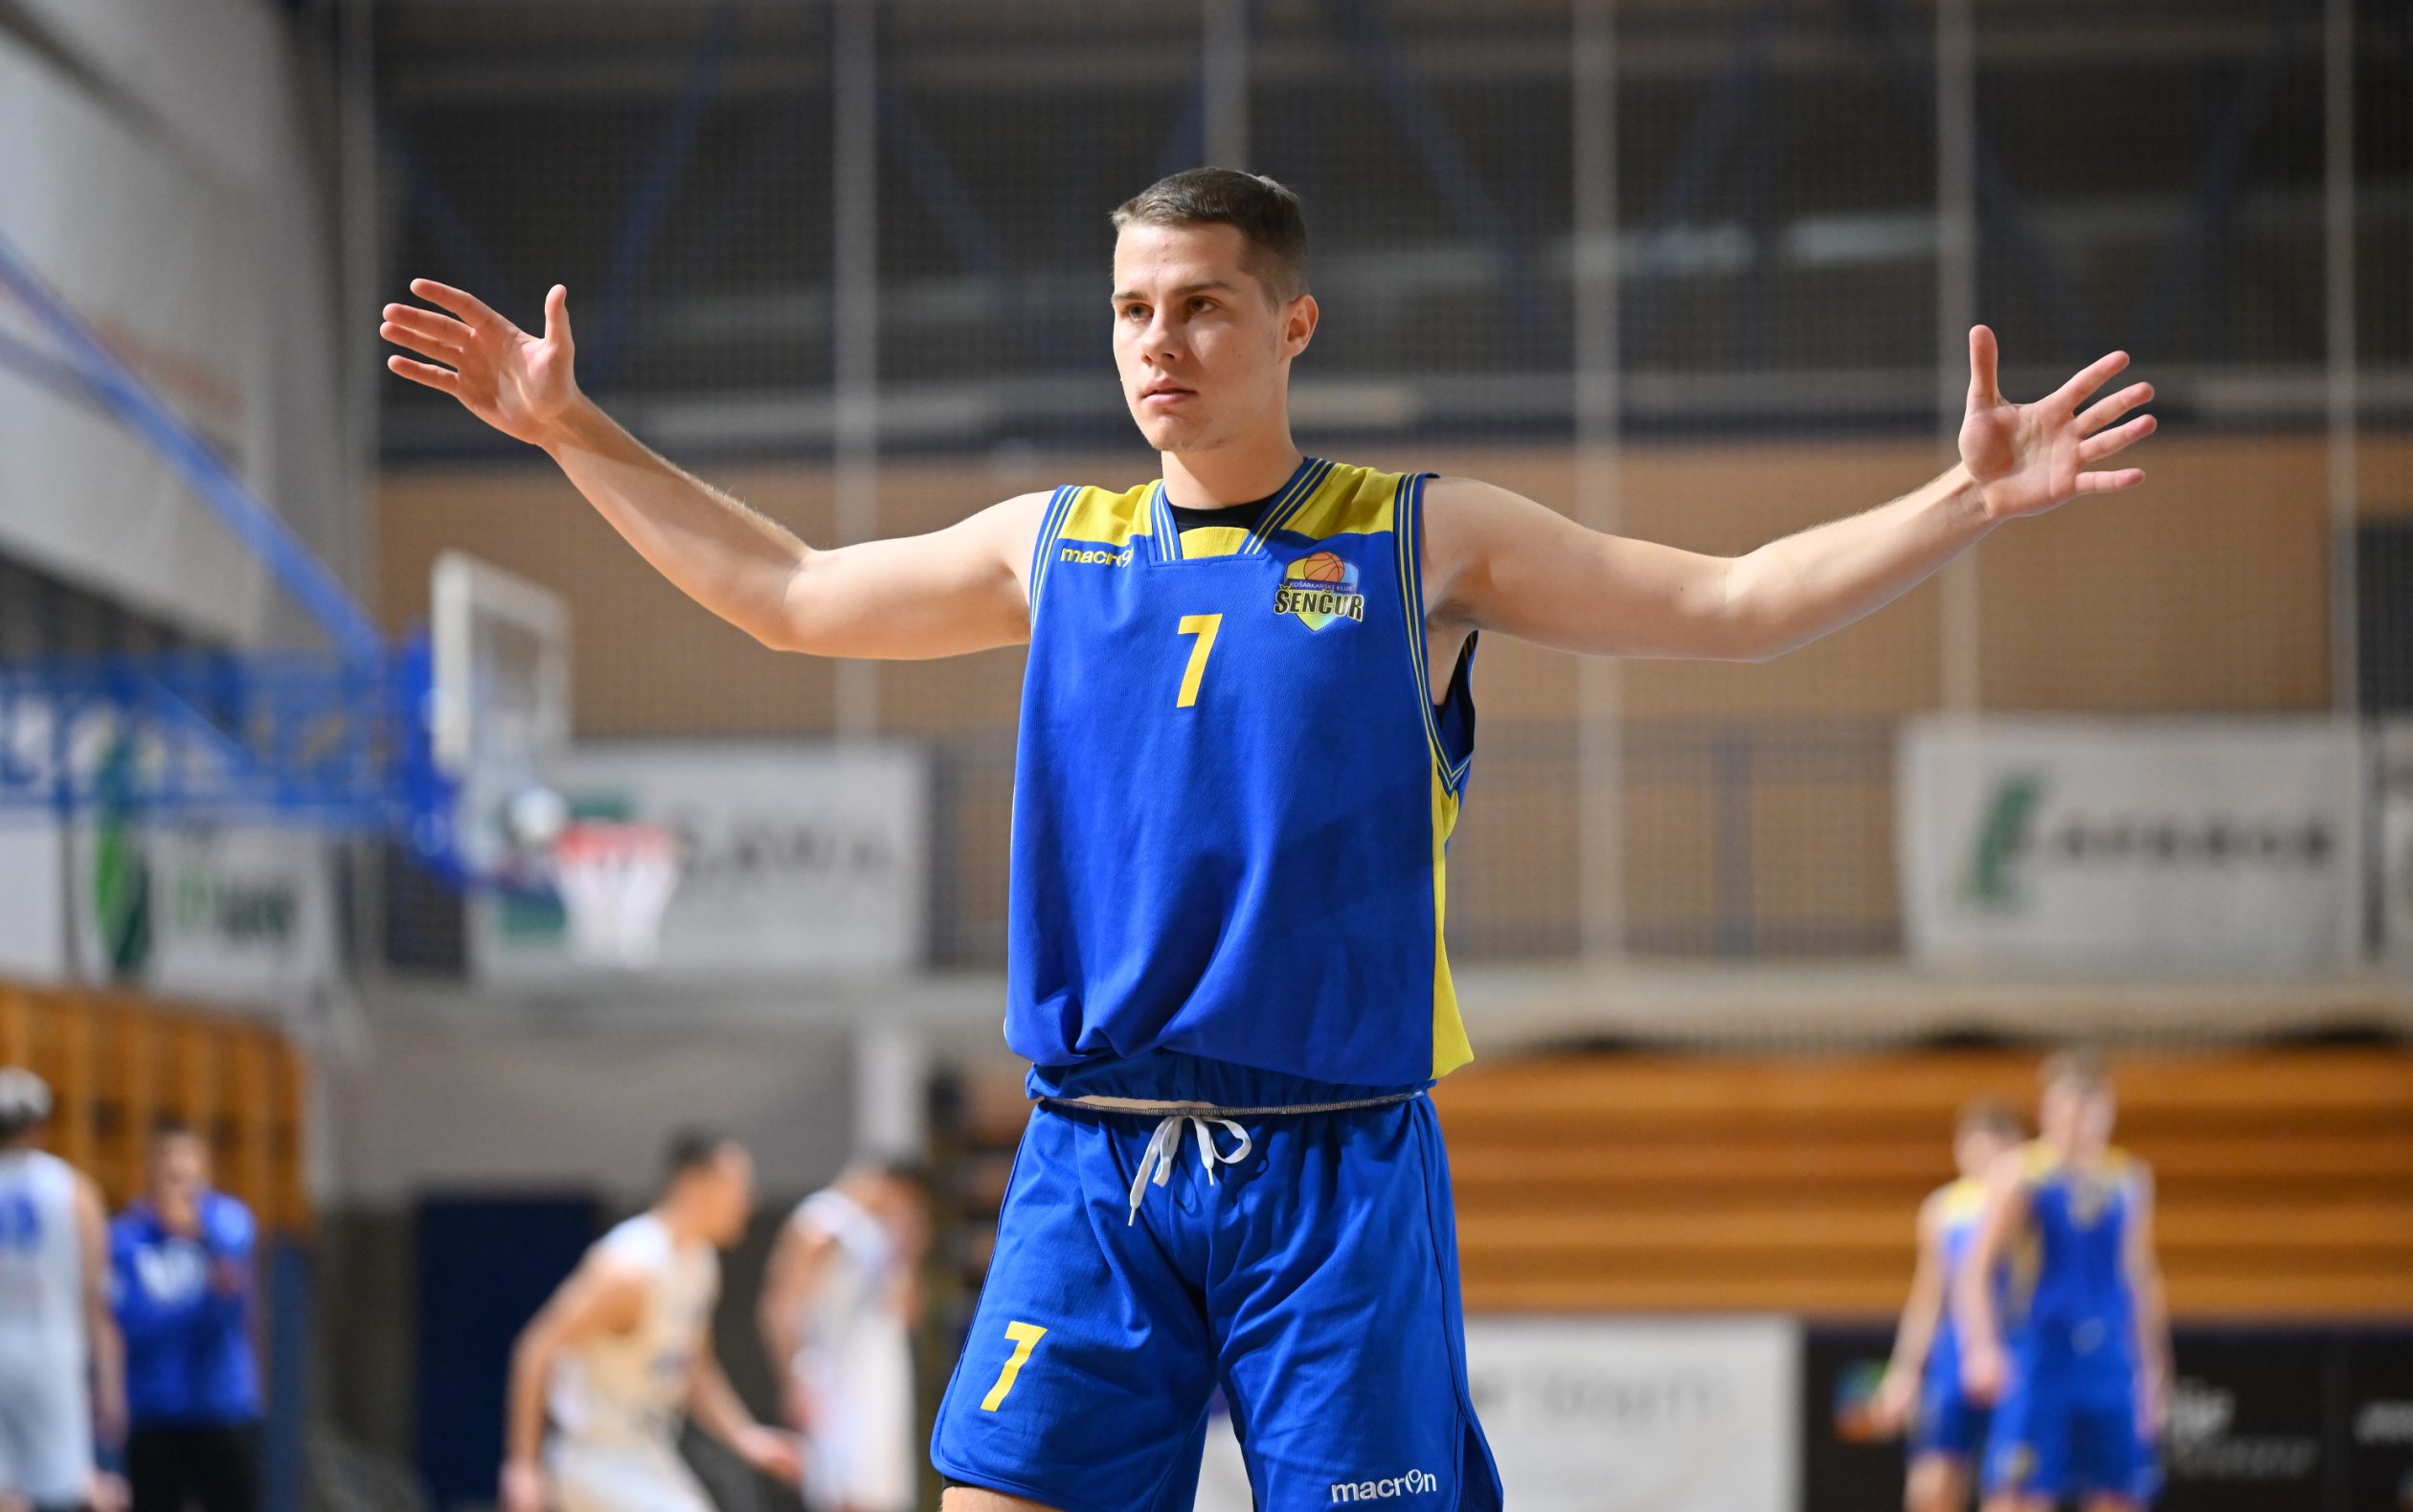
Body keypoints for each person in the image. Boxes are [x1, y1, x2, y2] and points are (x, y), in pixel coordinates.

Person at [383, 167, 2156, 1512]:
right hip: (1090, 1155)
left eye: (1203, 307)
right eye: (1132, 310)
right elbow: (782, 592)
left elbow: (1734, 603)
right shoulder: (1052, 545)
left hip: (1332, 1164)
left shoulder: (1419, 539)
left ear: (1293, 324)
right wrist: (570, 429)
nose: (1160, 343)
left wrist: (1966, 499)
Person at [501, 1131, 799, 1512]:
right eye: (739, 1187)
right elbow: (537, 1347)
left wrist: (747, 1439)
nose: (750, 1201)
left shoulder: (700, 1263)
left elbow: (693, 1365)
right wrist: (523, 1466)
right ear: (694, 1185)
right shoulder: (628, 1269)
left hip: (648, 1450)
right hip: (596, 1455)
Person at [1956, 1050, 2170, 1512]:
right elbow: (1976, 1268)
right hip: (2042, 1352)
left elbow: (2140, 1275)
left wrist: (2154, 1369)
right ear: (2047, 1112)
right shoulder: (2021, 1174)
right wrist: (1982, 1346)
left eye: (2091, 1111)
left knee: (2120, 1493)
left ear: (2108, 1114)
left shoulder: (2128, 1179)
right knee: (2020, 1493)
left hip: (2109, 1356)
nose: (2079, 1125)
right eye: (2069, 1110)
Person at [1870, 1098, 2024, 1512]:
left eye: (1997, 1147)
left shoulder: (2028, 1206)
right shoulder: (1943, 1209)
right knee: (1932, 1486)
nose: (1985, 1157)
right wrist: (1905, 1370)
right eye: (1976, 1146)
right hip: (1952, 1358)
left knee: (2010, 1488)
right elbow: (1928, 1297)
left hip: (2015, 1353)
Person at [759, 1162, 933, 1512]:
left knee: (878, 1497)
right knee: (842, 1496)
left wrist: (909, 1254)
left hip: (877, 1383)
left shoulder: (880, 1234)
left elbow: (908, 1317)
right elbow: (779, 1307)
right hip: (834, 1380)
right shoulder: (823, 1221)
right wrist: (795, 1379)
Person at [111, 1122, 259, 1512]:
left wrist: (196, 1227)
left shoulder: (228, 1218)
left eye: (187, 1159)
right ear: (150, 1169)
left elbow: (233, 1272)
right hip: (156, 1407)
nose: (177, 1169)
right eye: (167, 1159)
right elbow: (130, 1322)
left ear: (204, 1168)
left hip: (221, 1403)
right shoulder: (129, 1236)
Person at [0, 1070, 124, 1512]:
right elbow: (95, 1299)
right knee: (63, 1492)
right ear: (40, 1126)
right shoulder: (73, 1190)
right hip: (51, 1355)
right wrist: (109, 1381)